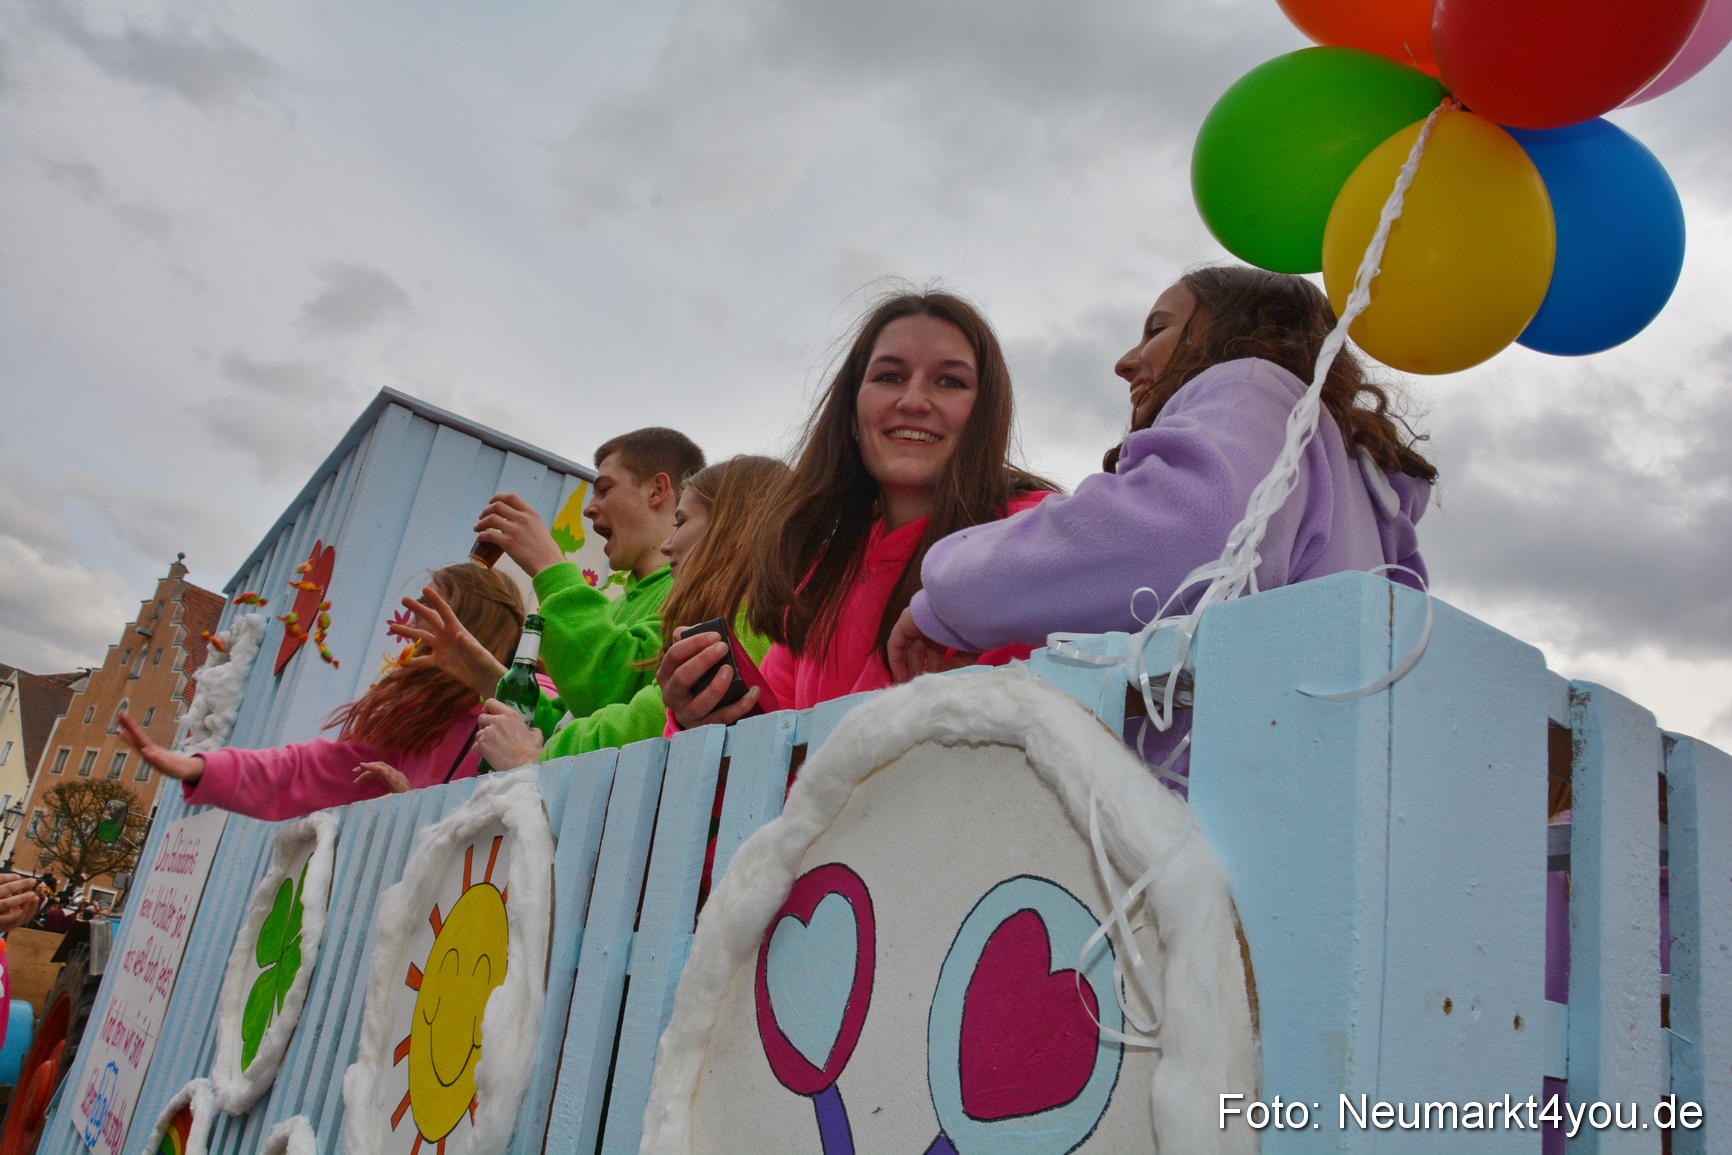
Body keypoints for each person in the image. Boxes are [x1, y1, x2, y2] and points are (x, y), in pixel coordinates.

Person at [886, 265, 1436, 768]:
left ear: (1236, 332)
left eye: (1157, 330)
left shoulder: (1250, 386)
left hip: (1207, 814)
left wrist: (947, 591)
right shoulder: (1359, 490)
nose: (1125, 361)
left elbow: (1182, 537)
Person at [660, 290, 1059, 727]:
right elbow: (775, 773)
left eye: (950, 381)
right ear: (850, 411)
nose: (913, 401)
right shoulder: (819, 574)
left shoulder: (1040, 534)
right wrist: (703, 724)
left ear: (986, 416)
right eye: (890, 376)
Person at [417, 456, 792, 771]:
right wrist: (487, 676)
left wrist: (551, 568)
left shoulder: (746, 619)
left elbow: (622, 707)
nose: (668, 544)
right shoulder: (624, 604)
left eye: (605, 488)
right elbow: (579, 718)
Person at [117, 563, 525, 820]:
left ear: (472, 623)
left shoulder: (530, 706)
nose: (415, 623)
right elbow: (308, 769)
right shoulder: (418, 718)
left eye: (430, 608)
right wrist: (200, 768)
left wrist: (414, 809)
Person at [469, 429, 704, 727]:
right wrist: (481, 671)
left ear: (656, 490)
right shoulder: (615, 608)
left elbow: (606, 694)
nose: (588, 508)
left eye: (604, 489)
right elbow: (565, 726)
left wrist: (549, 567)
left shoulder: (697, 589)